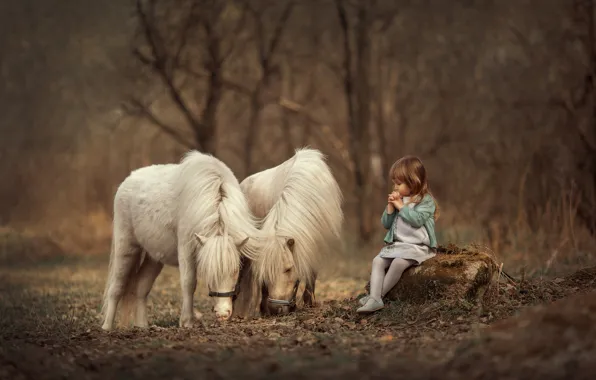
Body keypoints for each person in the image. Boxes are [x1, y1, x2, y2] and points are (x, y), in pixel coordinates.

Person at [357, 155, 439, 314]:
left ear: (413, 182)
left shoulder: (425, 201)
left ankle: (376, 297)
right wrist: (390, 207)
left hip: (418, 247)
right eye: (394, 183)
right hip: (398, 245)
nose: (395, 187)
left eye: (399, 183)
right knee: (378, 261)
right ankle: (374, 297)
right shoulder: (399, 200)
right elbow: (386, 224)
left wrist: (401, 207)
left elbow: (416, 220)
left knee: (398, 264)